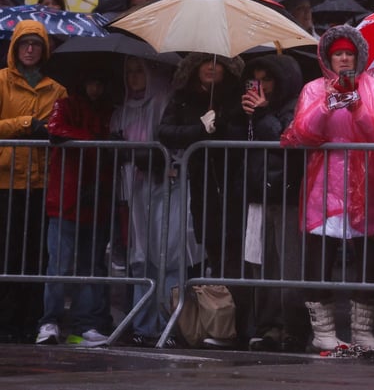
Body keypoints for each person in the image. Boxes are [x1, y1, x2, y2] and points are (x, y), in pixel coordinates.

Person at [280, 25, 374, 352]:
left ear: (358, 56)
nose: (344, 59)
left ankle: (363, 332)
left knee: (370, 259)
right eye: (338, 54)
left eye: (349, 53)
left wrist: (358, 105)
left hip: (368, 184)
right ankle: (323, 332)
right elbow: (301, 133)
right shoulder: (314, 89)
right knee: (318, 256)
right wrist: (327, 105)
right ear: (328, 58)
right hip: (324, 184)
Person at [111, 56, 200, 348]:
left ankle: (170, 321)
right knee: (140, 255)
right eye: (129, 72)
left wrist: (159, 161)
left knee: (169, 253)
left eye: (139, 71)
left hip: (167, 186)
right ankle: (143, 323)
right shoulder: (122, 109)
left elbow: (171, 142)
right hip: (135, 190)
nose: (134, 77)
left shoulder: (163, 103)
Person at [0, 21, 67, 343]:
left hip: (41, 182)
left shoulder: (56, 89)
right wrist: (27, 123)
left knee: (35, 256)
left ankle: (28, 321)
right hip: (5, 182)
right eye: (24, 43)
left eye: (36, 44)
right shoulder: (0, 81)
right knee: (6, 254)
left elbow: (63, 127)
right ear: (14, 47)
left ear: (44, 50)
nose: (29, 49)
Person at [236, 54, 307, 352]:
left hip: (285, 195)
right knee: (260, 264)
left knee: (287, 266)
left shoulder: (292, 106)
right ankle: (267, 327)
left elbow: (285, 138)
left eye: (267, 80)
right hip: (258, 194)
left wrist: (263, 115)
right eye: (257, 80)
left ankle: (292, 328)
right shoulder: (251, 109)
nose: (261, 86)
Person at [38, 66, 113, 347]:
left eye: (99, 83)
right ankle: (50, 320)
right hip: (67, 199)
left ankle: (85, 325)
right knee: (59, 264)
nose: (95, 89)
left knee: (90, 265)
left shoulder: (107, 111)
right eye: (91, 82)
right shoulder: (65, 105)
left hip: (95, 198)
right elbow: (55, 129)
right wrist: (95, 140)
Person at [158, 53, 244, 281]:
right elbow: (165, 132)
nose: (211, 67)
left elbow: (244, 131)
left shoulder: (236, 95)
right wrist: (200, 130)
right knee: (212, 245)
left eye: (217, 62)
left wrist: (221, 125)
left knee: (235, 251)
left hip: (233, 180)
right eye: (205, 62)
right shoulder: (183, 97)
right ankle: (217, 308)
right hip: (201, 181)